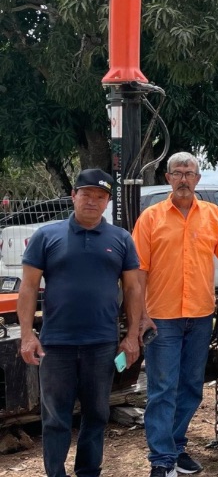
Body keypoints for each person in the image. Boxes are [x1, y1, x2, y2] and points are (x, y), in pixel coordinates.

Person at [17, 169, 142, 477]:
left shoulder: (121, 238)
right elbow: (29, 286)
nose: (92, 201)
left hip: (101, 343)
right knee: (56, 417)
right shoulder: (47, 236)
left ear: (108, 202)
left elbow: (132, 288)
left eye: (100, 196)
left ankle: (88, 471)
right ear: (73, 196)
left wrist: (132, 336)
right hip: (56, 344)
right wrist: (26, 335)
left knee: (97, 414)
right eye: (86, 194)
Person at [134, 153, 218, 477]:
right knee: (163, 388)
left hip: (199, 315)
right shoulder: (151, 218)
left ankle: (176, 446)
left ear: (198, 179)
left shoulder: (212, 215)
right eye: (178, 173)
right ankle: (161, 459)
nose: (184, 179)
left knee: (192, 386)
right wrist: (141, 316)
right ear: (167, 178)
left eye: (190, 173)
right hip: (162, 317)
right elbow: (137, 274)